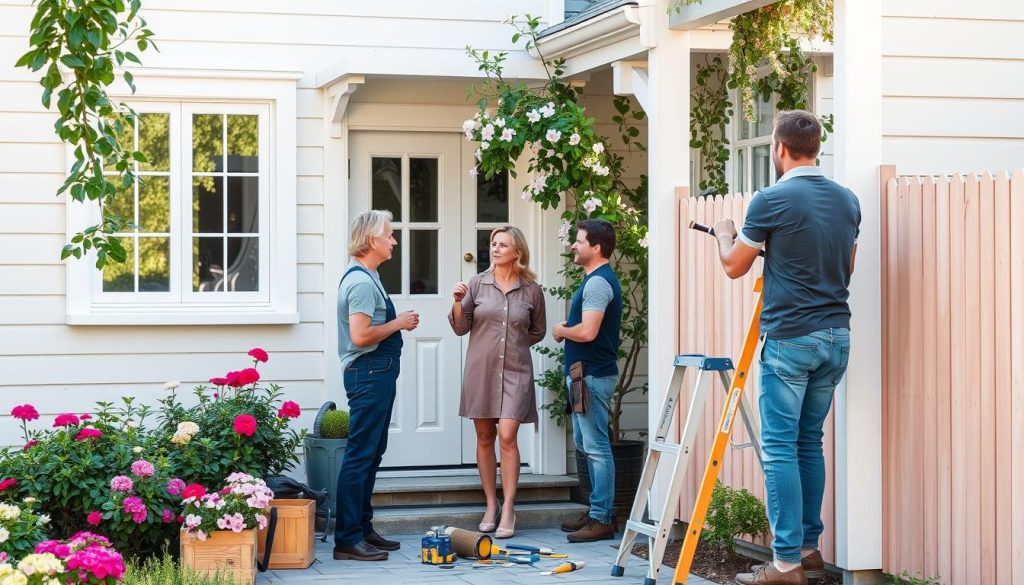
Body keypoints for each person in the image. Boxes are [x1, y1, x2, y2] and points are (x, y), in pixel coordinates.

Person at [712, 110, 860, 585]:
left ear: (779, 148)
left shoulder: (771, 199)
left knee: (778, 449)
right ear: (817, 146)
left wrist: (724, 235)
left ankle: (784, 565)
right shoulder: (847, 201)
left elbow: (735, 267)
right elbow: (846, 268)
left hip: (791, 338)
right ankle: (810, 550)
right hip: (837, 336)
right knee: (807, 442)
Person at [449, 226, 547, 540]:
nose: (495, 249)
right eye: (493, 244)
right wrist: (456, 301)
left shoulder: (531, 289)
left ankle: (510, 507)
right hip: (481, 370)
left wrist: (512, 345)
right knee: (484, 435)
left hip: (517, 372)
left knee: (507, 435)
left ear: (517, 252)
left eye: (503, 244)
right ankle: (491, 504)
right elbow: (460, 327)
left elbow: (538, 331)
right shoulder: (477, 284)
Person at [333, 210, 419, 561]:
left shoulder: (368, 276)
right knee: (360, 455)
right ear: (372, 240)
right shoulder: (361, 283)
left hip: (375, 373)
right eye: (390, 235)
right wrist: (399, 323)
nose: (394, 241)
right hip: (368, 372)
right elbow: (360, 335)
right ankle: (348, 539)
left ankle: (363, 529)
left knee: (371, 453)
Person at [553, 218, 622, 543]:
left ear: (596, 247)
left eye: (579, 241)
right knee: (586, 445)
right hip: (585, 374)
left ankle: (602, 517)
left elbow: (588, 331)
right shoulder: (595, 280)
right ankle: (596, 510)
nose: (573, 246)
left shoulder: (597, 283)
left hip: (592, 375)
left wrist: (562, 330)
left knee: (596, 448)